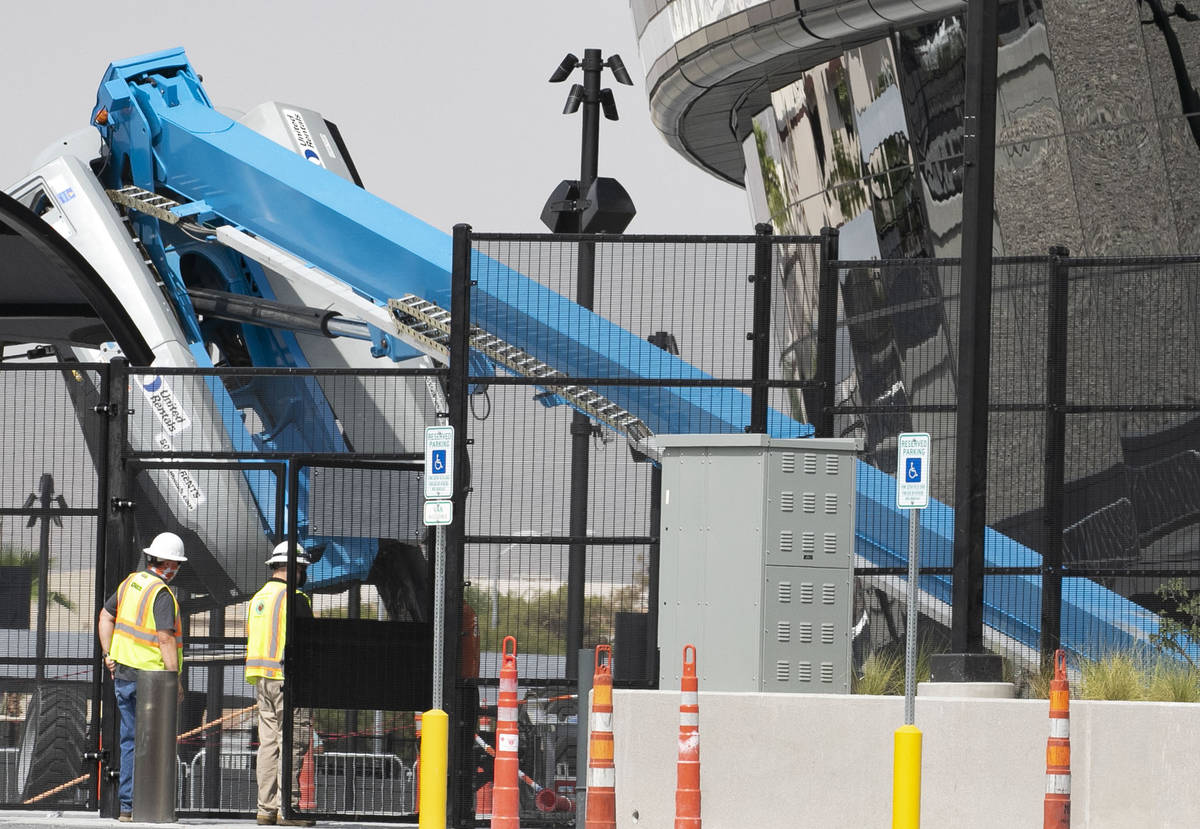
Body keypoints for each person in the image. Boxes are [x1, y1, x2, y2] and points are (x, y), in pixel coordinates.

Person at [96, 531, 188, 822]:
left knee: (130, 741)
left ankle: (128, 808)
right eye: (177, 564)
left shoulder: (130, 583)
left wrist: (108, 655)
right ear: (167, 563)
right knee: (155, 743)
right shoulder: (161, 593)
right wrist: (175, 681)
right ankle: (152, 808)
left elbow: (104, 617)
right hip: (152, 681)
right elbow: (164, 638)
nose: (177, 570)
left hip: (123, 675)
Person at [246, 541, 317, 827]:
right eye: (302, 568)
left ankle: (266, 809)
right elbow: (310, 643)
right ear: (295, 569)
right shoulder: (295, 597)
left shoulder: (259, 598)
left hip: (262, 678)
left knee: (268, 744)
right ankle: (287, 807)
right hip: (288, 679)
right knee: (293, 742)